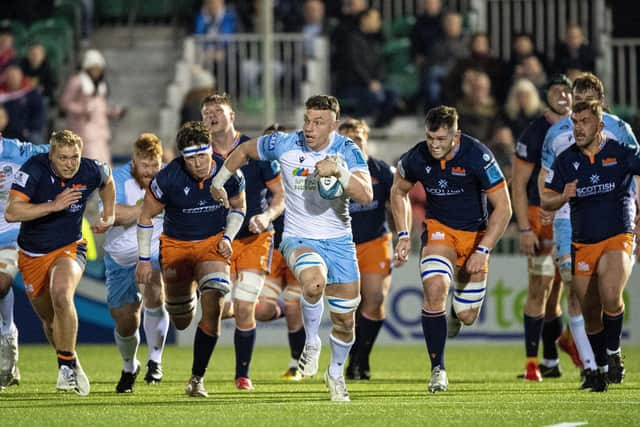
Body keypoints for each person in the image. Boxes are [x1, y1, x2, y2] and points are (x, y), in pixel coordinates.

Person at [211, 95, 373, 402]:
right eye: (307, 120)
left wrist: (340, 172)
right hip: (299, 238)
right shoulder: (284, 143)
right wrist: (220, 180)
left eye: (318, 122)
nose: (310, 128)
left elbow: (365, 195)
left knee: (346, 321)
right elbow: (244, 150)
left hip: (339, 243)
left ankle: (335, 373)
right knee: (313, 283)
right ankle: (311, 342)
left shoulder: (347, 150)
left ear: (333, 125)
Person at [390, 105, 512, 393]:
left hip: (475, 236)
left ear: (455, 136)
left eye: (441, 140)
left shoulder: (477, 156)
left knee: (468, 315)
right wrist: (404, 234)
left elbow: (504, 208)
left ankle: (456, 314)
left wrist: (483, 250)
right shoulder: (417, 156)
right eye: (430, 138)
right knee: (434, 289)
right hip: (439, 232)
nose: (434, 145)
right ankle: (438, 369)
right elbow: (398, 190)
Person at [539, 72, 638, 388]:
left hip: (617, 230)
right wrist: (559, 198)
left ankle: (608, 356)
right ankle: (596, 365)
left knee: (610, 294)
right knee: (587, 306)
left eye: (584, 116)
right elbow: (546, 192)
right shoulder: (562, 149)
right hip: (578, 234)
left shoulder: (621, 141)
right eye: (575, 117)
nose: (578, 124)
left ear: (599, 118)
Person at [135, 121, 245, 398]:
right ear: (181, 157)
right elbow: (146, 216)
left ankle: (197, 378)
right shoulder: (167, 178)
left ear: (211, 150)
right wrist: (144, 259)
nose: (197, 163)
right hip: (176, 247)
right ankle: (195, 292)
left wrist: (228, 238)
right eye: (190, 157)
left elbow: (239, 207)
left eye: (202, 155)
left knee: (215, 301)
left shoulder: (229, 172)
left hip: (212, 244)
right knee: (181, 320)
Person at [5, 129, 116, 396]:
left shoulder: (89, 169)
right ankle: (70, 360)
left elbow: (108, 181)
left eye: (74, 157)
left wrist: (109, 214)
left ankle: (65, 370)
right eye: (63, 157)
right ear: (51, 155)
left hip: (70, 247)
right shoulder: (34, 170)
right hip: (32, 255)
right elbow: (12, 212)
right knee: (50, 320)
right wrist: (52, 206)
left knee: (62, 294)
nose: (69, 163)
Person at [202, 93, 285, 390]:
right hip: (217, 240)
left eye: (217, 110)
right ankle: (199, 374)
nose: (211, 115)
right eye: (206, 112)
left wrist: (267, 216)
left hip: (255, 238)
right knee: (215, 308)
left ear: (232, 116)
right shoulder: (200, 155)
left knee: (246, 305)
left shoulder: (255, 149)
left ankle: (242, 375)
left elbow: (280, 194)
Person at [512, 74, 573, 381]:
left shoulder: (584, 125)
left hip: (577, 212)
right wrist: (524, 228)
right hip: (543, 216)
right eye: (556, 90)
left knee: (563, 291)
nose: (562, 95)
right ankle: (534, 362)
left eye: (567, 90)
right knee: (542, 286)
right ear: (546, 95)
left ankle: (554, 356)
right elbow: (519, 183)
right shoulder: (536, 132)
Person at [103, 133, 169, 393]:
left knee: (155, 288)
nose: (151, 171)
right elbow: (113, 215)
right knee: (126, 322)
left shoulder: (167, 178)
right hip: (119, 259)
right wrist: (149, 208)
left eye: (155, 165)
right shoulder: (117, 178)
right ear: (133, 162)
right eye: (145, 166)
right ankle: (130, 365)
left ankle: (156, 360)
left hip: (152, 252)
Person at [339, 118, 394, 381]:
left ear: (366, 140)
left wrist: (404, 235)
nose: (354, 145)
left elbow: (399, 200)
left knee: (375, 300)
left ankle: (361, 358)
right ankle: (353, 358)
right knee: (348, 308)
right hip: (342, 245)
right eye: (348, 141)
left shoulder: (380, 171)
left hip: (375, 241)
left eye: (358, 139)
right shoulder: (330, 173)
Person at [252, 123, 306, 381]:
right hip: (272, 247)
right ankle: (283, 308)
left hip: (298, 247)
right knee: (261, 310)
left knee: (295, 306)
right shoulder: (258, 174)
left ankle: (297, 365)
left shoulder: (302, 172)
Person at [0, 136, 49, 390]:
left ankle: (7, 333)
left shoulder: (17, 151)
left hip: (10, 235)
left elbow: (60, 150)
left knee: (1, 283)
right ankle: (7, 333)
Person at [60, 49, 124, 166]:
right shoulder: (77, 81)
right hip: (84, 131)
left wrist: (115, 112)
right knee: (90, 164)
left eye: (98, 68)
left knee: (104, 165)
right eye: (93, 67)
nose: (96, 71)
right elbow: (65, 103)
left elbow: (101, 107)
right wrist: (81, 109)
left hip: (101, 132)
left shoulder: (101, 85)